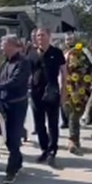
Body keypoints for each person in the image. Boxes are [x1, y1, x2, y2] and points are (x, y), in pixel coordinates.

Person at [28, 27, 66, 167]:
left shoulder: (57, 53)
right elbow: (28, 73)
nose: (40, 38)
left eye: (43, 35)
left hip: (52, 92)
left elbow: (64, 73)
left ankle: (52, 151)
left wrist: (64, 92)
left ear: (49, 36)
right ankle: (44, 149)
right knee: (39, 124)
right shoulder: (31, 54)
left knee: (53, 124)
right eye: (38, 36)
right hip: (36, 93)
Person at [0, 35, 30, 184]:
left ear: (11, 45)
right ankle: (18, 160)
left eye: (3, 44)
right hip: (5, 104)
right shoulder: (6, 62)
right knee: (8, 138)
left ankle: (11, 171)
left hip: (17, 104)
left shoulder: (22, 62)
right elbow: (2, 79)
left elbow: (16, 81)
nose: (1, 47)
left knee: (14, 136)